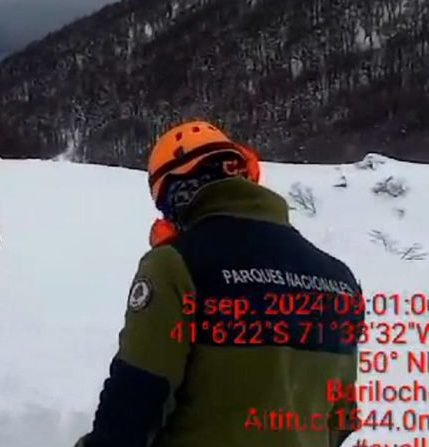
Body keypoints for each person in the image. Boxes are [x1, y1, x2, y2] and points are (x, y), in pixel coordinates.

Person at [75, 120, 364, 447]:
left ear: (176, 193)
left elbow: (136, 398)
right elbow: (340, 418)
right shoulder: (341, 281)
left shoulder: (176, 264)